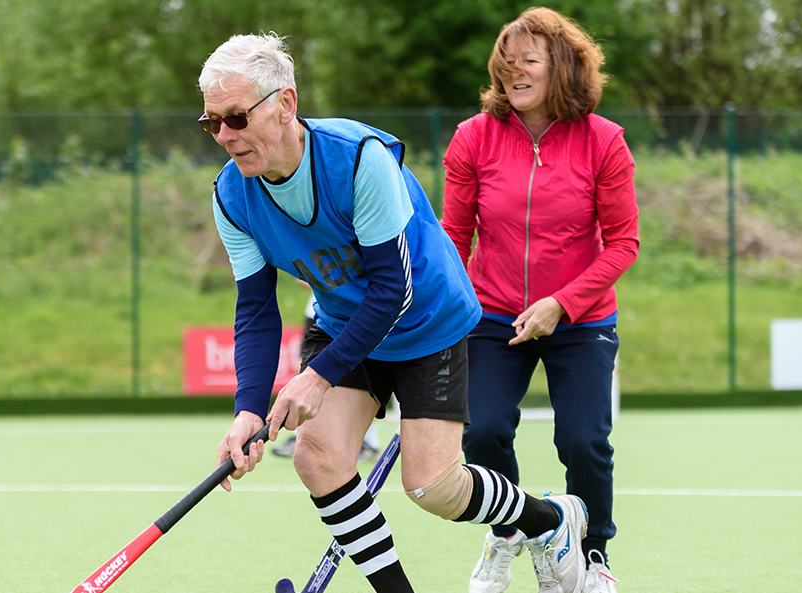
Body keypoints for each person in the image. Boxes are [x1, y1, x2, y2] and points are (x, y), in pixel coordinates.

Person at [200, 33, 589, 593]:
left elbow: (392, 290)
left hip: (425, 318)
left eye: (236, 117)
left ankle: (552, 521)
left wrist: (318, 376)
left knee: (434, 488)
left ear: (285, 103)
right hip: (344, 324)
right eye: (211, 122)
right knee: (318, 456)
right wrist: (246, 409)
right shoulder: (231, 197)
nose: (225, 136)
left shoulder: (359, 159)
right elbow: (255, 311)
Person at [440, 8, 639, 593]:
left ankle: (593, 553)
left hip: (580, 318)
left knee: (583, 440)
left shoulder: (604, 141)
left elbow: (623, 243)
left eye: (529, 60)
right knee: (481, 432)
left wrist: (562, 302)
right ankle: (511, 534)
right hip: (492, 312)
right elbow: (453, 236)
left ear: (564, 69)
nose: (513, 72)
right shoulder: (472, 137)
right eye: (506, 62)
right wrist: (446, 303)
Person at [273, 291, 383, 462]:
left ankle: (370, 441)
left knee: (362, 376)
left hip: (356, 312)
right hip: (320, 310)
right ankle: (297, 434)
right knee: (303, 371)